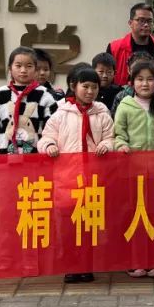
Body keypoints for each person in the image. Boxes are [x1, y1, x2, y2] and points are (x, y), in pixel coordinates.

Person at [39, 65, 114, 284]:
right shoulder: (60, 114)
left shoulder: (102, 114)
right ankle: (70, 266)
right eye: (85, 86)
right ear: (74, 86)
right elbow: (46, 137)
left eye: (94, 87)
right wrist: (50, 145)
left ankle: (86, 266)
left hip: (93, 179)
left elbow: (111, 137)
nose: (90, 91)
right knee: (67, 226)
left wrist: (107, 145)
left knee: (89, 225)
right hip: (67, 179)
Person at [114, 60, 154, 279]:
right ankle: (134, 260)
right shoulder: (125, 106)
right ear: (132, 83)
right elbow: (118, 134)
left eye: (150, 79)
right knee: (134, 215)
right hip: (132, 171)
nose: (145, 84)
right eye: (140, 79)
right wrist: (121, 145)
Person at [0, 47, 58, 154]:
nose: (23, 70)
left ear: (35, 69)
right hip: (4, 157)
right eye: (18, 66)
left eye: (29, 66)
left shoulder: (45, 95)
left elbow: (53, 128)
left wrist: (50, 146)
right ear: (10, 68)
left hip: (37, 158)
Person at [106, 3, 154, 88]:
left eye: (149, 21)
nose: (146, 24)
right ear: (130, 23)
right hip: (120, 94)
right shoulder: (114, 48)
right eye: (141, 20)